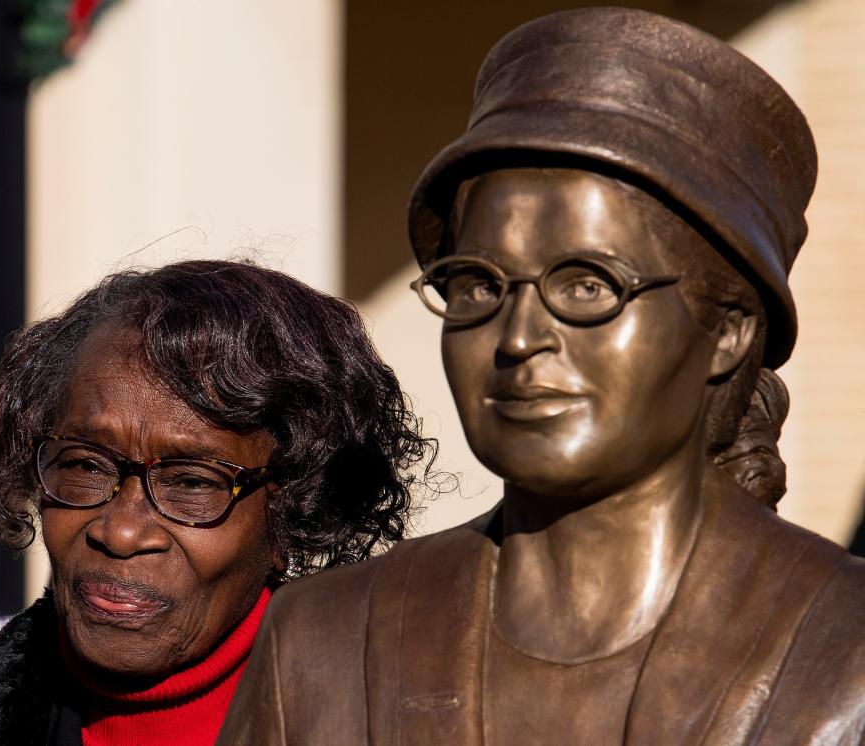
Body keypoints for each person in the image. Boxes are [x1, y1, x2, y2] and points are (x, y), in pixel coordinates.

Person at [219, 8, 865, 744]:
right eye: (477, 286)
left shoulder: (846, 653)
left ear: (729, 332)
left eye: (586, 285)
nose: (519, 337)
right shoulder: (318, 644)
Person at [0, 259, 432, 745]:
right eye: (86, 466)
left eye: (192, 484)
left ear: (297, 511)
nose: (121, 532)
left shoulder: (406, 720)